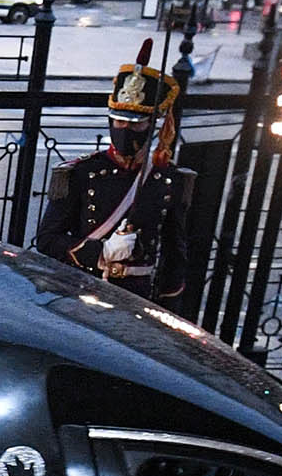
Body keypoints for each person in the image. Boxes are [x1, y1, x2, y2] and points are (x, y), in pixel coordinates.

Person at [32, 42, 186, 303]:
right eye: (119, 121)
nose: (124, 128)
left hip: (137, 299)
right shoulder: (82, 172)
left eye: (136, 124)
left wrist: (168, 305)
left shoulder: (166, 178)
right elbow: (47, 239)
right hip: (82, 290)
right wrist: (98, 253)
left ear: (153, 126)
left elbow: (175, 253)